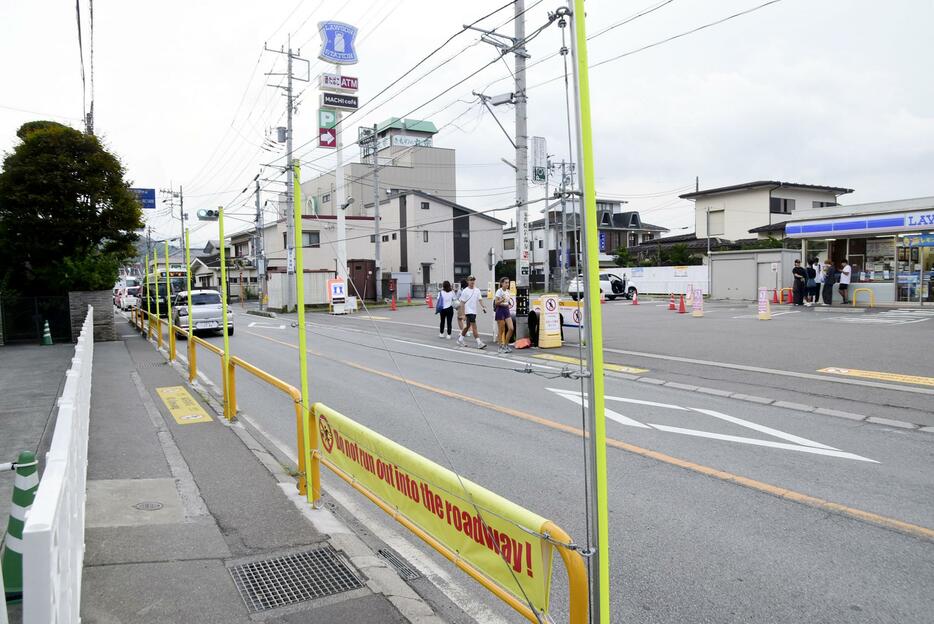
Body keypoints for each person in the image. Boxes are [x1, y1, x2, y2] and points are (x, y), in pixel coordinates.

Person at [457, 276, 487, 349]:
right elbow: (462, 303)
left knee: (467, 326)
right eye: (471, 280)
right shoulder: (465, 291)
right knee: (474, 326)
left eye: (473, 280)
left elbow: (480, 299)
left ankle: (460, 340)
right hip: (468, 311)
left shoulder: (477, 290)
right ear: (468, 281)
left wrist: (483, 306)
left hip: (474, 311)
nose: (472, 281)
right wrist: (463, 314)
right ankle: (479, 342)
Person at [493, 277, 514, 353]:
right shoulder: (499, 291)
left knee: (511, 328)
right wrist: (502, 299)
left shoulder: (508, 291)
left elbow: (508, 302)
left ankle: (506, 345)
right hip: (500, 310)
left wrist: (507, 303)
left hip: (506, 309)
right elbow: (496, 302)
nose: (507, 284)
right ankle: (500, 347)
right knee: (501, 329)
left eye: (508, 283)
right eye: (505, 282)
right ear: (502, 283)